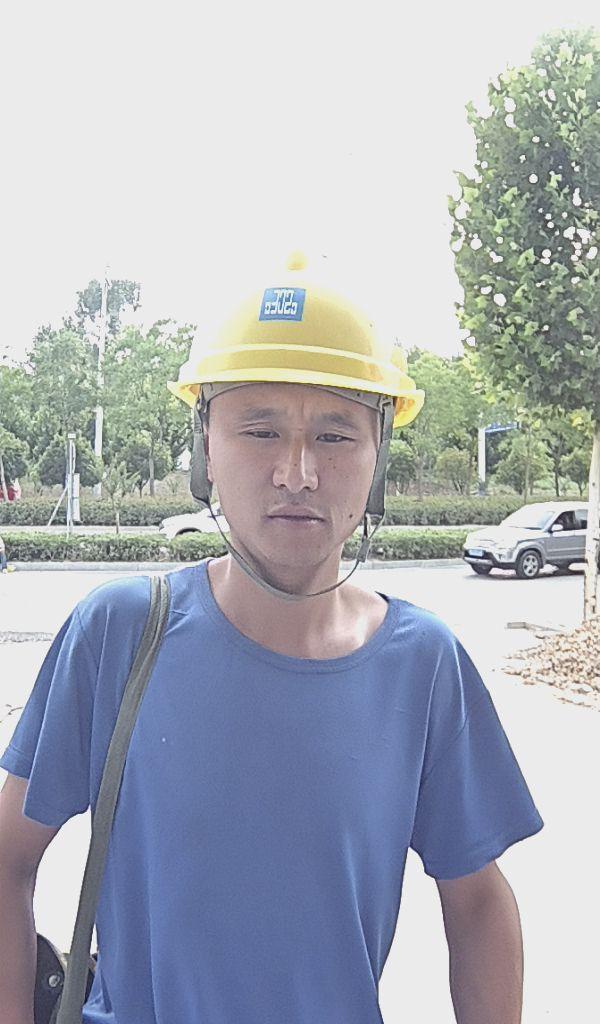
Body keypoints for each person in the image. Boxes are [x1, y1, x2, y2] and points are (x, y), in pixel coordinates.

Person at [0, 253, 543, 1024]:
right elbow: (8, 861)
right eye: (260, 431)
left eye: (335, 435)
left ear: (378, 458)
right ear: (206, 449)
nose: (297, 473)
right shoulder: (120, 632)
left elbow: (479, 902)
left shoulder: (423, 666)